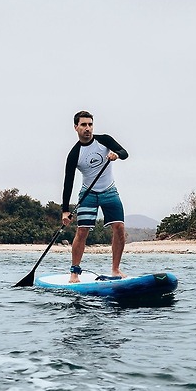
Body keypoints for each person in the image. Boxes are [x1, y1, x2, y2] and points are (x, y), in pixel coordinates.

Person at [61, 110, 129, 282]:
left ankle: (115, 269)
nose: (88, 128)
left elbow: (125, 152)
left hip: (109, 190)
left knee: (119, 228)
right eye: (83, 125)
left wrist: (117, 154)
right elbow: (68, 182)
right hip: (88, 194)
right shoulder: (74, 154)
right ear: (76, 127)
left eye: (90, 124)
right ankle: (75, 272)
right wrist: (65, 211)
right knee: (82, 231)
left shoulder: (104, 140)